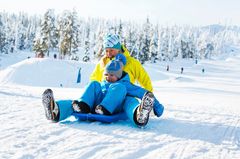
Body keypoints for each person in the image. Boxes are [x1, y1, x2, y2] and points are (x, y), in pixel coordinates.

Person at [42, 34, 164, 126]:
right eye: (106, 50)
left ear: (118, 48)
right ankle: (56, 110)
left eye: (111, 50)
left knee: (130, 103)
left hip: (123, 96)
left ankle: (139, 113)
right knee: (76, 102)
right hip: (103, 96)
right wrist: (89, 97)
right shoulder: (103, 61)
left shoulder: (132, 63)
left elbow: (144, 84)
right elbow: (94, 79)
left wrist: (153, 104)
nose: (108, 53)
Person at [71, 55, 163, 126]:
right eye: (106, 74)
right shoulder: (103, 83)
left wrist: (157, 106)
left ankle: (139, 115)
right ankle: (83, 106)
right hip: (97, 106)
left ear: (118, 76)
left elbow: (141, 92)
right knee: (93, 83)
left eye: (112, 75)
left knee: (128, 98)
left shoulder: (124, 84)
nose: (108, 78)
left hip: (115, 107)